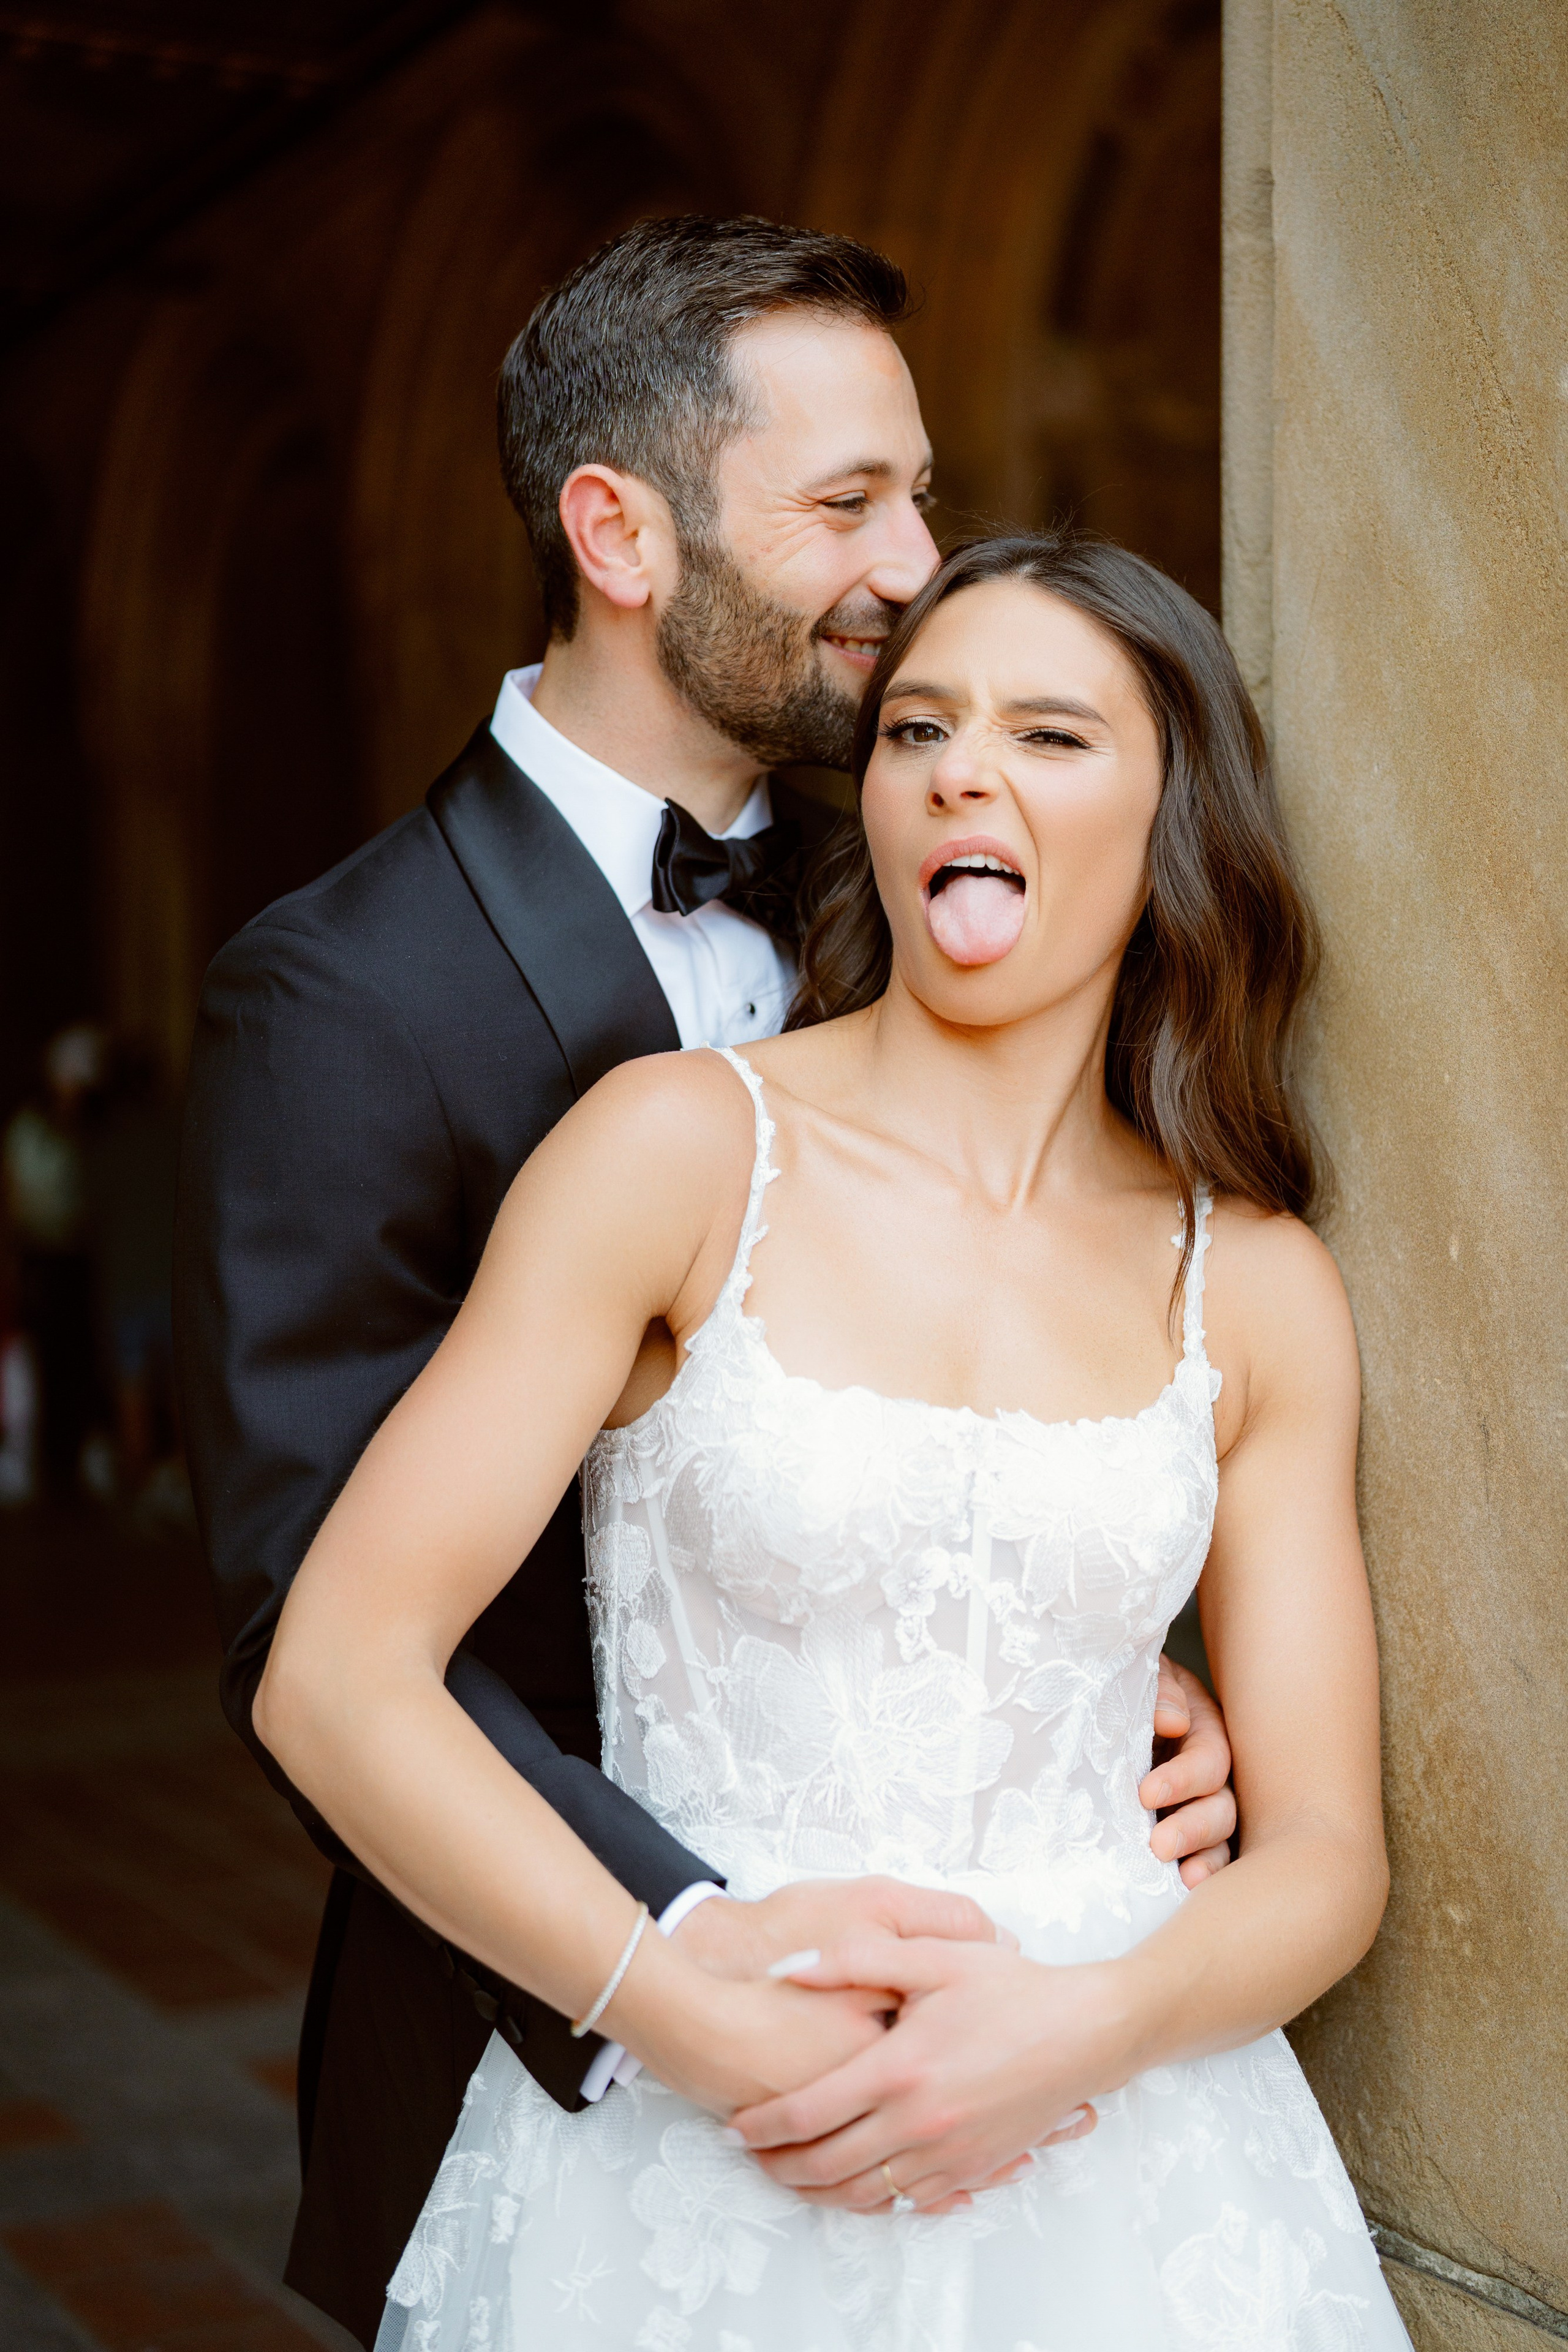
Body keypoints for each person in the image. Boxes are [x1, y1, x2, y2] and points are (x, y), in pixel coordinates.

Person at [174, 217, 1235, 2347]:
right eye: (849, 505)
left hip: (1014, 2021)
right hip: (548, 2027)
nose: (914, 562)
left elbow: (1032, 1306)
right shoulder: (340, 994)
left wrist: (1078, 1644)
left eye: (918, 494)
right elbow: (322, 1624)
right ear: (619, 533)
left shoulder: (923, 851)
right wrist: (700, 1956)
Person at [256, 530, 1411, 2351]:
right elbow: (334, 1675)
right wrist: (690, 2011)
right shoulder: (679, 1153)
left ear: (1177, 812)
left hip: (1136, 2166)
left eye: (1050, 735)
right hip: (688, 2165)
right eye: (919, 728)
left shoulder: (1256, 1284)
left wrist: (1088, 2021)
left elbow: (1332, 1857)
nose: (962, 768)